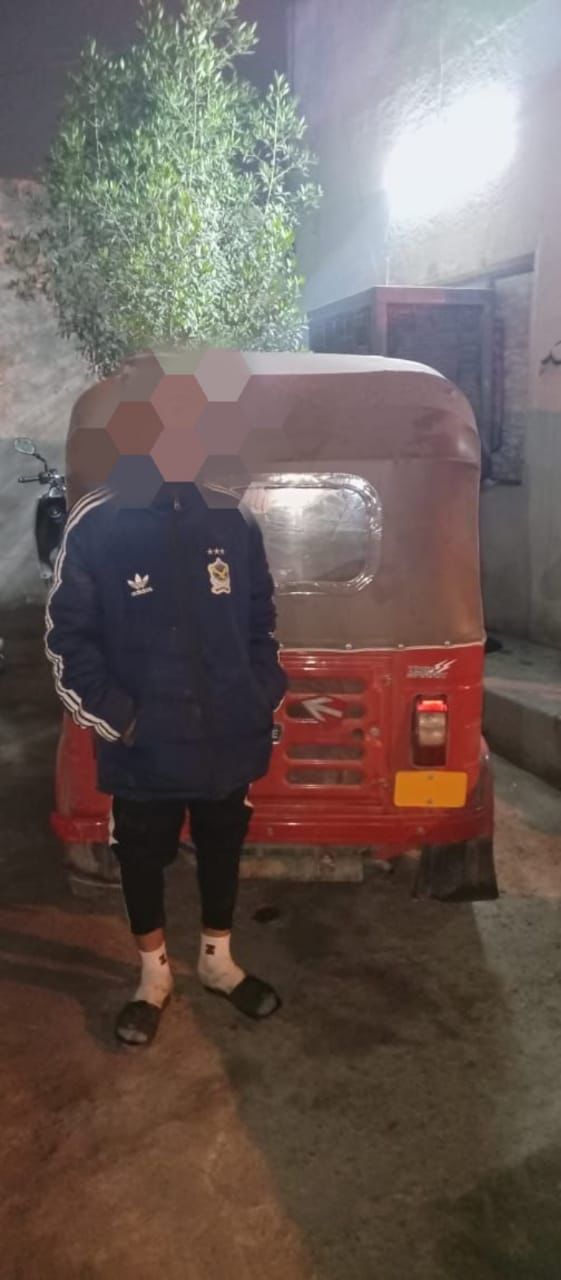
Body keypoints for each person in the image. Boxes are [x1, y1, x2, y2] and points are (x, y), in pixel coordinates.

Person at [45, 473, 287, 1046]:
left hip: (228, 741)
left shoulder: (233, 517)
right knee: (140, 859)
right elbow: (67, 640)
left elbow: (260, 618)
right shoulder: (98, 521)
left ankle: (217, 963)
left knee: (222, 848)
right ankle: (152, 977)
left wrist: (258, 694)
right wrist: (125, 720)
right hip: (144, 751)